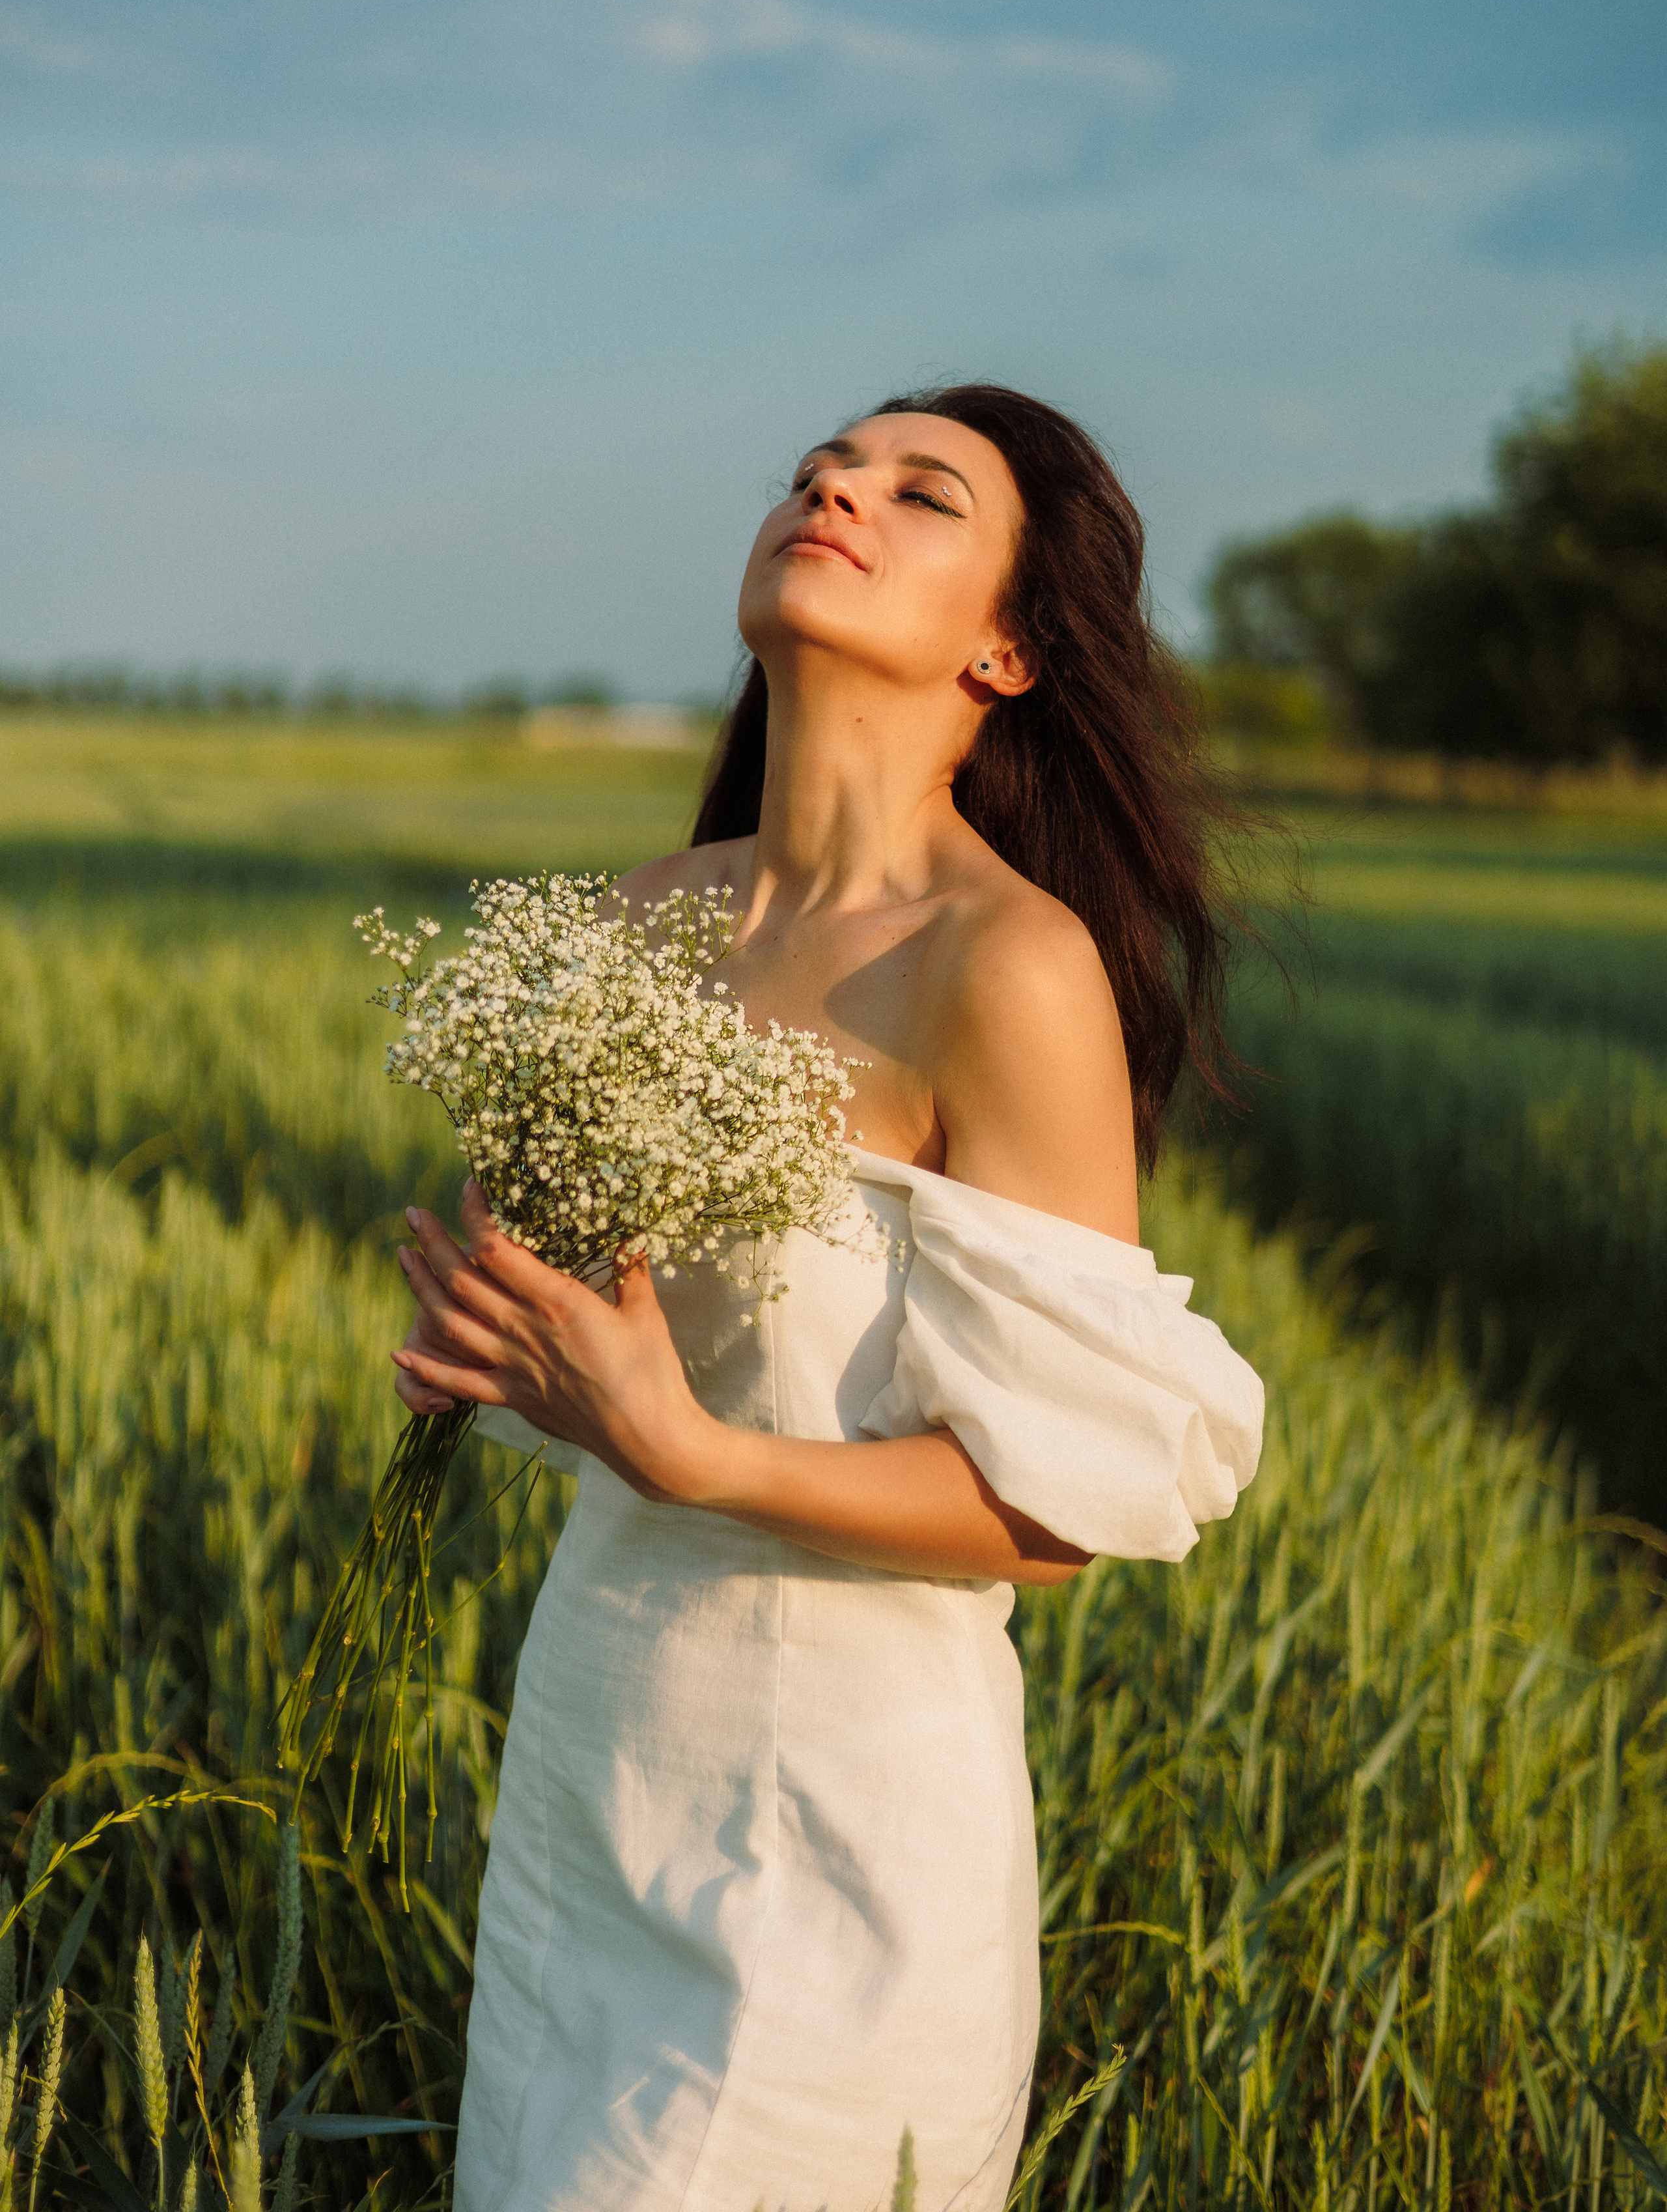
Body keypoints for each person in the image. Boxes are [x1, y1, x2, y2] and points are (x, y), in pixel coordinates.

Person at [390, 384, 1265, 2212]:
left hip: (842, 1848)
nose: (835, 495)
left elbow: (1051, 1510)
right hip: (598, 1766)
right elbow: (581, 1316)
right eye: (813, 474)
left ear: (1013, 648)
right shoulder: (639, 920)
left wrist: (684, 1451)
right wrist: (490, 1343)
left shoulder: (1006, 965)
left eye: (917, 493)